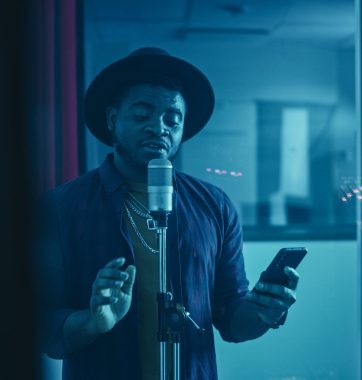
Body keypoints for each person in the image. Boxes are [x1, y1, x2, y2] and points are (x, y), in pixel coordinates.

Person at [36, 47, 300, 380]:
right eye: (141, 114)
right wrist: (93, 321)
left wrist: (266, 311)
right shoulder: (61, 207)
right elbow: (46, 330)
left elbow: (233, 320)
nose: (158, 127)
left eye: (172, 118)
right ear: (113, 120)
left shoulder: (214, 206)